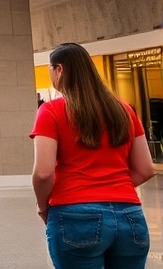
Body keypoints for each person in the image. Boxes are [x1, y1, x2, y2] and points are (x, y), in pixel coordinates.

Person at [31, 42, 155, 269]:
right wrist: (113, 186)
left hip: (74, 214)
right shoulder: (124, 109)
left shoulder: (51, 111)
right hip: (130, 215)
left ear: (59, 69)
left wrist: (42, 206)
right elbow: (146, 169)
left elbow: (43, 171)